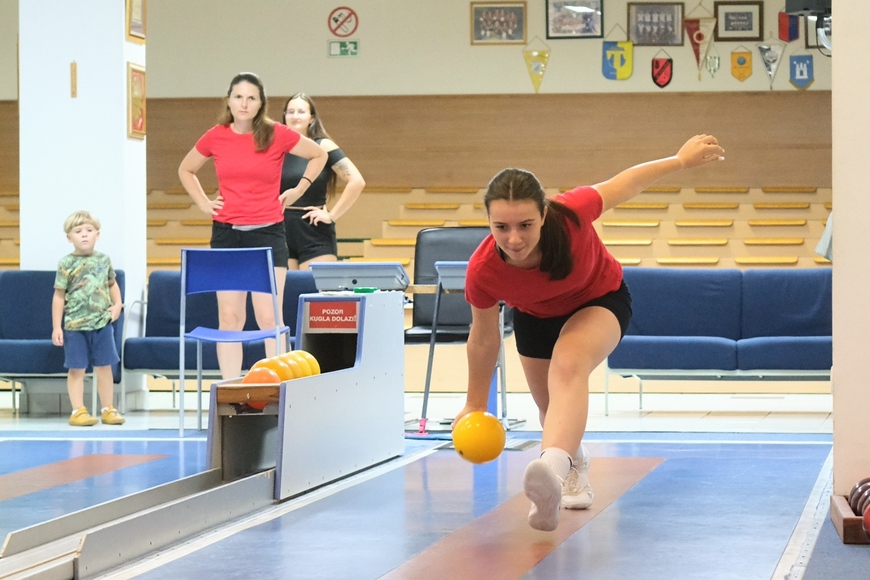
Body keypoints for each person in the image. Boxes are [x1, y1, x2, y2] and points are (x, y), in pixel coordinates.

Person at [455, 134, 726, 531]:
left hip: (600, 301)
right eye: (501, 227)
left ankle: (548, 471)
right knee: (552, 411)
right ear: (489, 223)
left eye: (525, 224)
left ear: (544, 215)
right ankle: (572, 465)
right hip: (535, 317)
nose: (514, 239)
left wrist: (680, 161)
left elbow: (624, 183)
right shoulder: (483, 271)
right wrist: (475, 404)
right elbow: (483, 337)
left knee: (568, 366)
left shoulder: (571, 213)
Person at [178, 73, 328, 381]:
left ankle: (277, 389)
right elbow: (186, 169)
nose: (244, 104)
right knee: (230, 318)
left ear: (261, 103)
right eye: (238, 97)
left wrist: (298, 190)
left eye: (251, 98)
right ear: (229, 100)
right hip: (227, 233)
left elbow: (319, 154)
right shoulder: (216, 135)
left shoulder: (276, 133)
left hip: (268, 233)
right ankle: (231, 390)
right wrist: (204, 203)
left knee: (269, 317)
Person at [52, 211, 125, 427]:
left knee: (105, 367)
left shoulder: (104, 260)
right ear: (69, 237)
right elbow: (58, 296)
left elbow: (112, 284)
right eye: (78, 231)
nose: (84, 235)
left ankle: (108, 409)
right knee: (77, 368)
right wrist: (57, 326)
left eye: (89, 230)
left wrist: (117, 305)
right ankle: (78, 410)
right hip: (75, 325)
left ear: (97, 234)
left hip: (101, 324)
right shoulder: (66, 263)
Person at [280, 93, 365, 269]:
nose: (295, 116)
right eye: (290, 111)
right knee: (285, 294)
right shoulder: (275, 148)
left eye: (301, 111)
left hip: (314, 230)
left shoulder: (323, 146)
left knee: (315, 292)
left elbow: (356, 181)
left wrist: (332, 215)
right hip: (280, 229)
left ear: (311, 118)